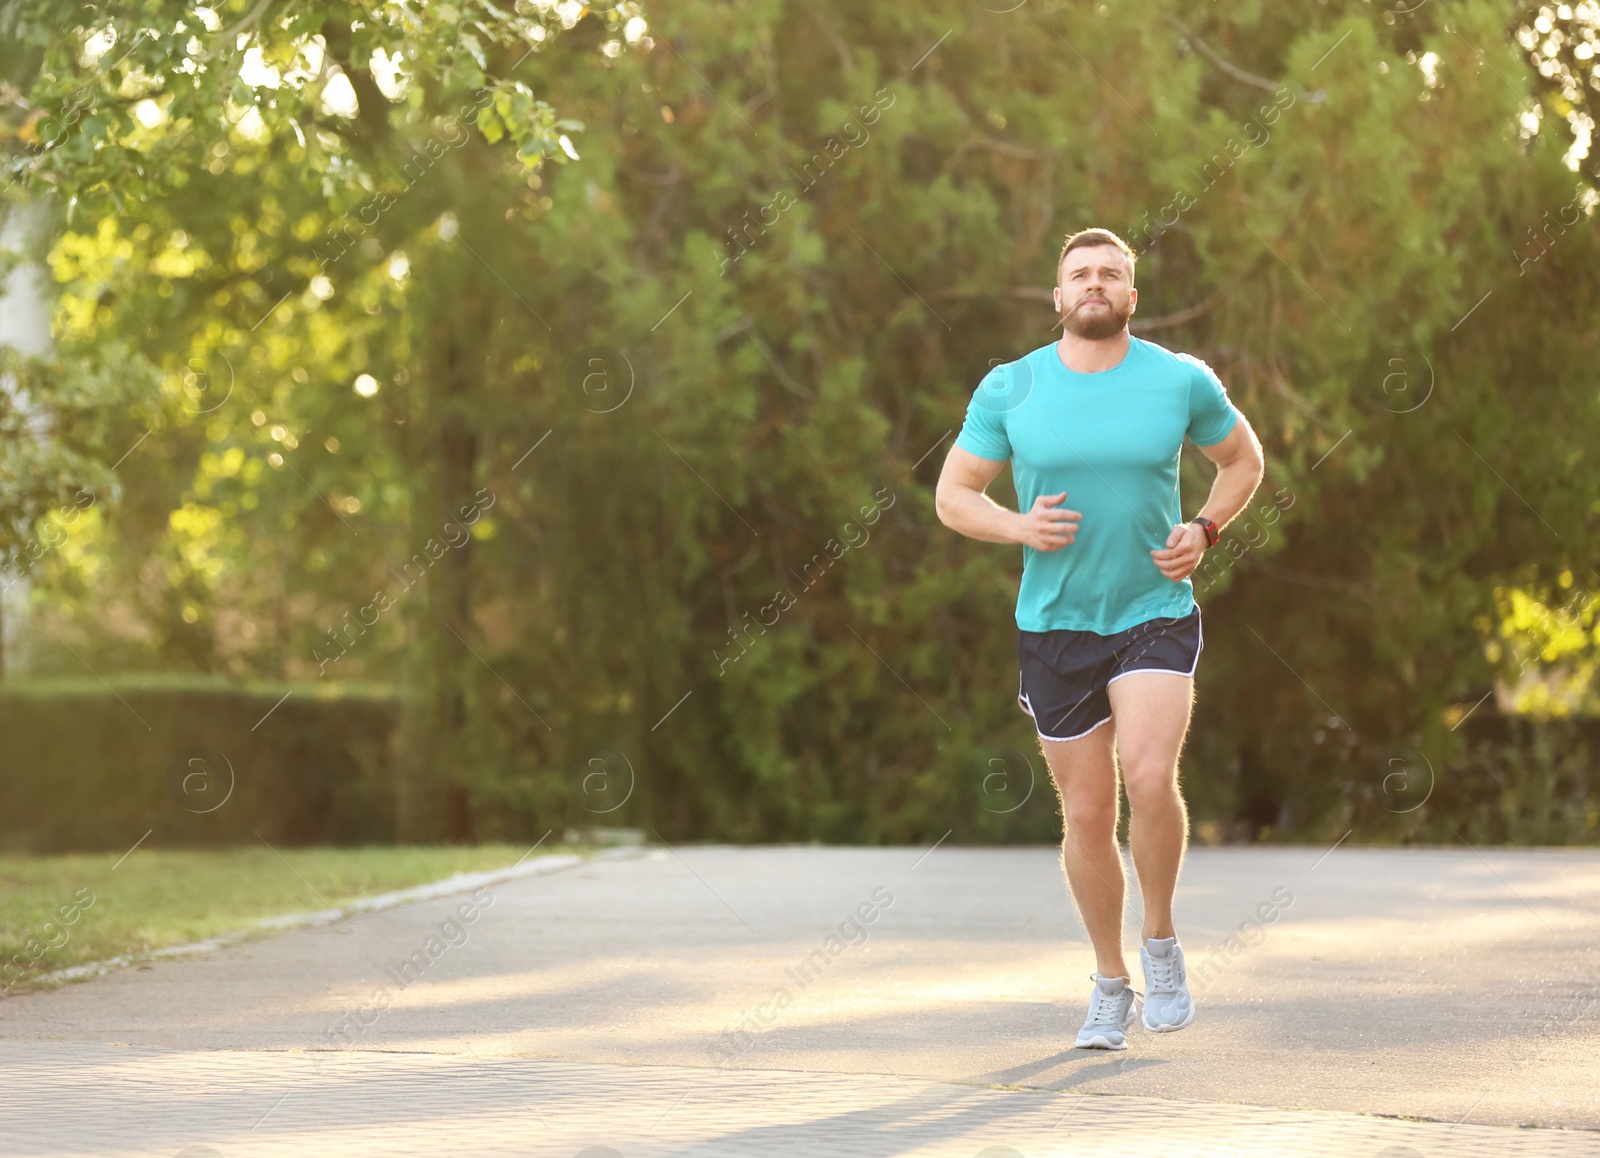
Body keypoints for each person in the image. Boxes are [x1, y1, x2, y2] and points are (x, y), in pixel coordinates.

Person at [934, 228, 1264, 1049]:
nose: (1094, 284)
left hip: (1154, 608)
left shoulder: (1180, 380)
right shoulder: (1011, 388)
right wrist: (1018, 525)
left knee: (1149, 777)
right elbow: (953, 495)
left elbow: (1243, 460)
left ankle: (1161, 944)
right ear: (1056, 297)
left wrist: (1207, 528)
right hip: (1054, 626)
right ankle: (1109, 982)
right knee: (1086, 816)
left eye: (1110, 273)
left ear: (1131, 296)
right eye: (1079, 273)